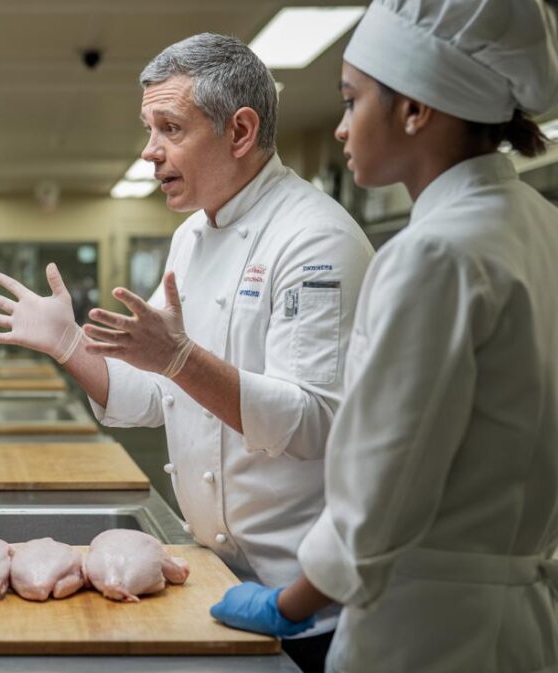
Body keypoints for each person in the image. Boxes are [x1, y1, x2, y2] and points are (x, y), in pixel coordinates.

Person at [0, 34, 374, 673]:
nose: (149, 150)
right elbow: (154, 396)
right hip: (216, 576)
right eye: (149, 128)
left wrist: (179, 358)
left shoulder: (315, 237)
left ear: (240, 131)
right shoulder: (191, 236)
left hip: (307, 600)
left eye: (170, 128)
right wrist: (69, 345)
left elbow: (311, 421)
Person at [209, 2, 558, 671]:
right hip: (522, 626)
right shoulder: (539, 226)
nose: (340, 128)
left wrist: (291, 600)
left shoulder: (435, 253)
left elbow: (382, 491)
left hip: (425, 632)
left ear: (415, 111)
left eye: (351, 100)